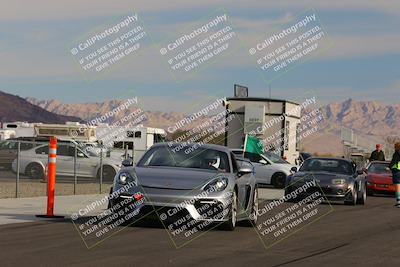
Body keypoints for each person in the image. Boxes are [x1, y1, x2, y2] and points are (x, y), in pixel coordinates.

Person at [389, 142, 400, 207]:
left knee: (398, 186)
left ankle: (399, 201)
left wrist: (389, 167)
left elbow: (394, 162)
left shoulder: (396, 154)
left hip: (397, 171)